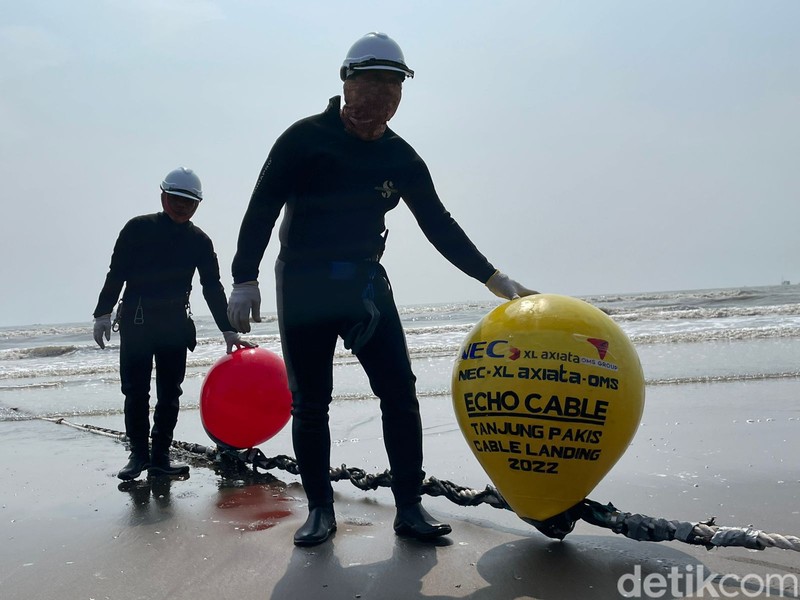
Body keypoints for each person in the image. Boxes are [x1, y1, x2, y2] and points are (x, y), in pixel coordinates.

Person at [227, 32, 536, 547]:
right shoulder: (302, 139)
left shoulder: (400, 157)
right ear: (347, 83)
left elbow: (439, 223)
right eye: (372, 84)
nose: (382, 98)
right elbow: (261, 209)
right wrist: (243, 276)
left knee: (399, 394)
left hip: (365, 286)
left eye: (393, 88)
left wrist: (492, 277)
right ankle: (320, 511)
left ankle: (410, 509)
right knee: (310, 404)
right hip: (303, 284)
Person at [93, 167, 255, 481]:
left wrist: (228, 329)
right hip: (137, 320)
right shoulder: (137, 229)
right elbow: (116, 273)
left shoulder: (199, 240)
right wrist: (102, 313)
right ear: (164, 195)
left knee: (170, 393)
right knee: (135, 391)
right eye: (177, 199)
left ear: (198, 204)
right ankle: (138, 455)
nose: (182, 206)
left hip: (174, 323)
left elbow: (212, 286)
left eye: (190, 202)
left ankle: (160, 457)